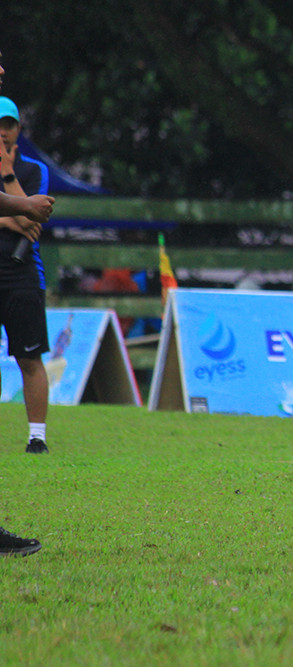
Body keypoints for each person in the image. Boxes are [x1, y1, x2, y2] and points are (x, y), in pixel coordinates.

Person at [0, 53, 52, 557]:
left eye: (9, 123)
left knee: (29, 355)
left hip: (20, 275)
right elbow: (21, 219)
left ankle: (37, 435)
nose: (5, 130)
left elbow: (31, 224)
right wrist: (18, 213)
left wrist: (6, 173)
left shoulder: (32, 169)